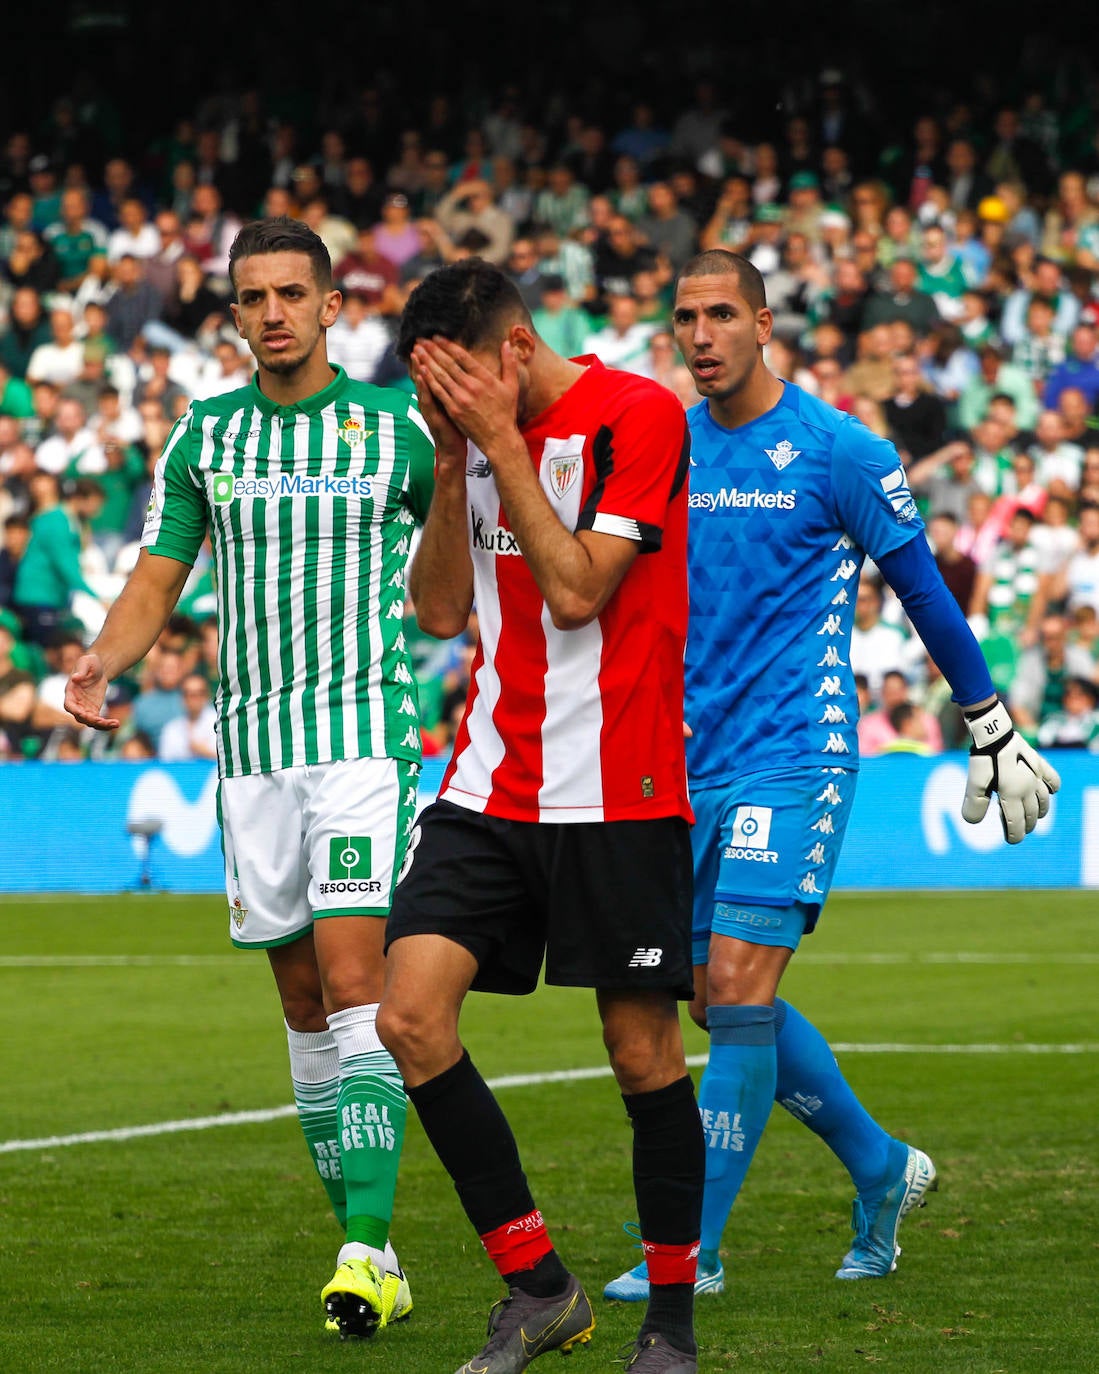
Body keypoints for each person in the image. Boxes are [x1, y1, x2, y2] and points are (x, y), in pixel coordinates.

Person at [604, 249, 1060, 1306]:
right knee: (713, 1004)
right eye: (686, 317)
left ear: (766, 325)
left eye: (722, 314)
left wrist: (986, 716)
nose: (702, 334)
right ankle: (882, 1168)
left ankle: (692, 1254)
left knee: (738, 987)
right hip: (689, 759)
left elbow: (923, 590)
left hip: (797, 751)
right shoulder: (667, 448)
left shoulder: (837, 450)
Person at [64, 217, 436, 1341]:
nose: (271, 311)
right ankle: (374, 1246)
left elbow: (472, 550)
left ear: (334, 307)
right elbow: (157, 575)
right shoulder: (205, 438)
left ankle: (363, 1249)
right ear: (231, 315)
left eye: (291, 292)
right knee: (298, 1001)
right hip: (254, 753)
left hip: (365, 738)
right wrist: (100, 662)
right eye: (250, 296)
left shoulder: (397, 433)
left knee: (352, 972)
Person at [377, 258, 705, 1374]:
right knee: (408, 1019)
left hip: (622, 792)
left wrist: (501, 444)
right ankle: (540, 1288)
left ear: (513, 350)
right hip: (486, 785)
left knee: (640, 1052)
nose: (453, 403)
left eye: (462, 384)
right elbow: (436, 610)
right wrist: (451, 453)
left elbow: (576, 590)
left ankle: (669, 1322)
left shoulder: (639, 416)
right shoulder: (470, 436)